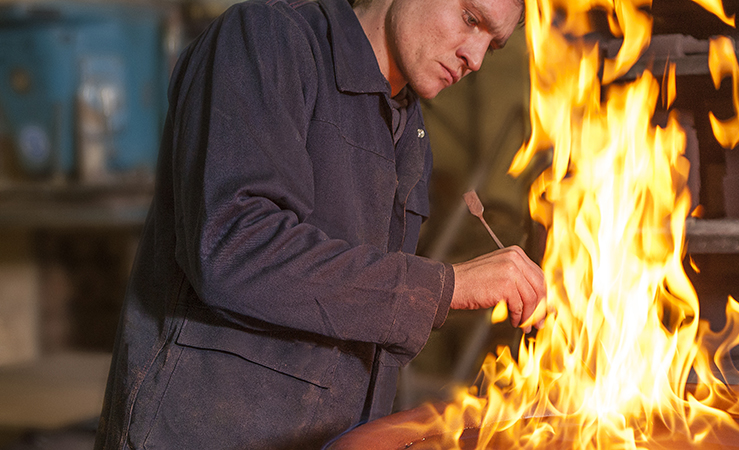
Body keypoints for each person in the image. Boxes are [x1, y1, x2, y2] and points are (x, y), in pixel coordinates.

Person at [94, 0, 545, 447]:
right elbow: (233, 247)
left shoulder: (408, 133)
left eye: (494, 44)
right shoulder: (269, 39)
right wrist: (442, 288)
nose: (476, 57)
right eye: (471, 19)